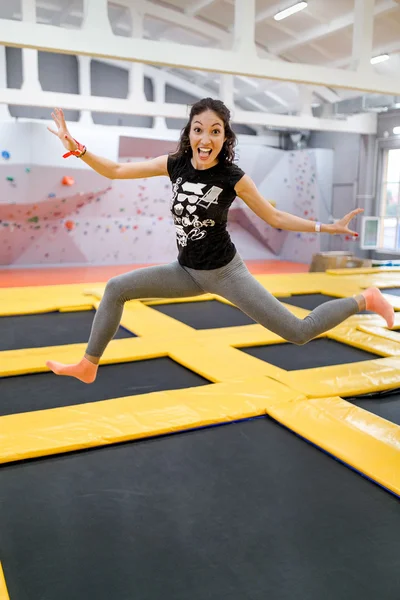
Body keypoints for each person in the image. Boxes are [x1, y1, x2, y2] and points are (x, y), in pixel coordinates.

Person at [46, 98, 394, 384]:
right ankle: (89, 364)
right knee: (116, 287)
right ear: (190, 134)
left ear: (225, 138)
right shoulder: (176, 164)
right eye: (199, 130)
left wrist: (327, 228)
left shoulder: (233, 177)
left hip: (227, 273)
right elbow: (116, 171)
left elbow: (275, 218)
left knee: (298, 331)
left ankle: (365, 299)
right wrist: (77, 148)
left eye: (215, 131)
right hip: (186, 271)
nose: (205, 138)